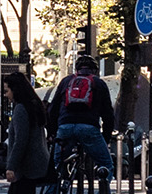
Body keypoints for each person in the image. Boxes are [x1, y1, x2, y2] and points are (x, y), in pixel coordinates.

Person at [3, 67, 52, 194]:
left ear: (16, 90)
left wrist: (11, 167)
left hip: (27, 164)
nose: (6, 95)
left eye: (7, 90)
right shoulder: (31, 104)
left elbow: (20, 141)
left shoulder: (22, 109)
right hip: (34, 162)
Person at [48, 52, 117, 186]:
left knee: (56, 165)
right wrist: (106, 137)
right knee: (106, 164)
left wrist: (53, 132)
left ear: (76, 70)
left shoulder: (66, 81)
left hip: (65, 127)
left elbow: (52, 109)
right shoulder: (99, 83)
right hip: (89, 127)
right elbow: (108, 114)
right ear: (95, 71)